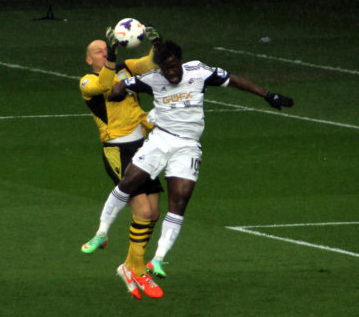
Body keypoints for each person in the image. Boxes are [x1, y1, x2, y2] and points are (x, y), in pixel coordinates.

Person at [106, 40, 294, 280]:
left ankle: (153, 261)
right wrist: (116, 90)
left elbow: (233, 80)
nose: (171, 73)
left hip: (187, 146)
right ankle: (118, 251)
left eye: (174, 66)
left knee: (177, 201)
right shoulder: (153, 78)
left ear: (180, 61)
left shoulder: (199, 71)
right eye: (166, 69)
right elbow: (119, 88)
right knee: (139, 201)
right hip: (155, 141)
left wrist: (268, 95)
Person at [79, 26, 165, 299]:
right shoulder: (86, 82)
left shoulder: (127, 67)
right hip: (117, 151)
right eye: (99, 51)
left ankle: (128, 266)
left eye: (106, 48)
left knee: (153, 212)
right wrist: (113, 56)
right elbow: (106, 85)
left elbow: (152, 61)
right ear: (89, 61)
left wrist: (156, 40)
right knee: (141, 211)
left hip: (144, 146)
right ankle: (138, 272)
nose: (103, 52)